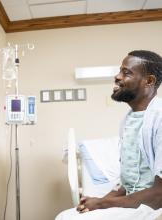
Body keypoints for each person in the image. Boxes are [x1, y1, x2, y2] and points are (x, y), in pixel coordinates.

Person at [56, 50, 162, 220]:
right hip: (135, 205)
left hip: (155, 208)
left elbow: (159, 195)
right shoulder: (128, 121)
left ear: (149, 81)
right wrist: (97, 202)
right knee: (66, 215)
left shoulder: (159, 117)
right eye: (120, 71)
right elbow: (126, 182)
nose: (117, 77)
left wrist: (102, 204)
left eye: (126, 72)